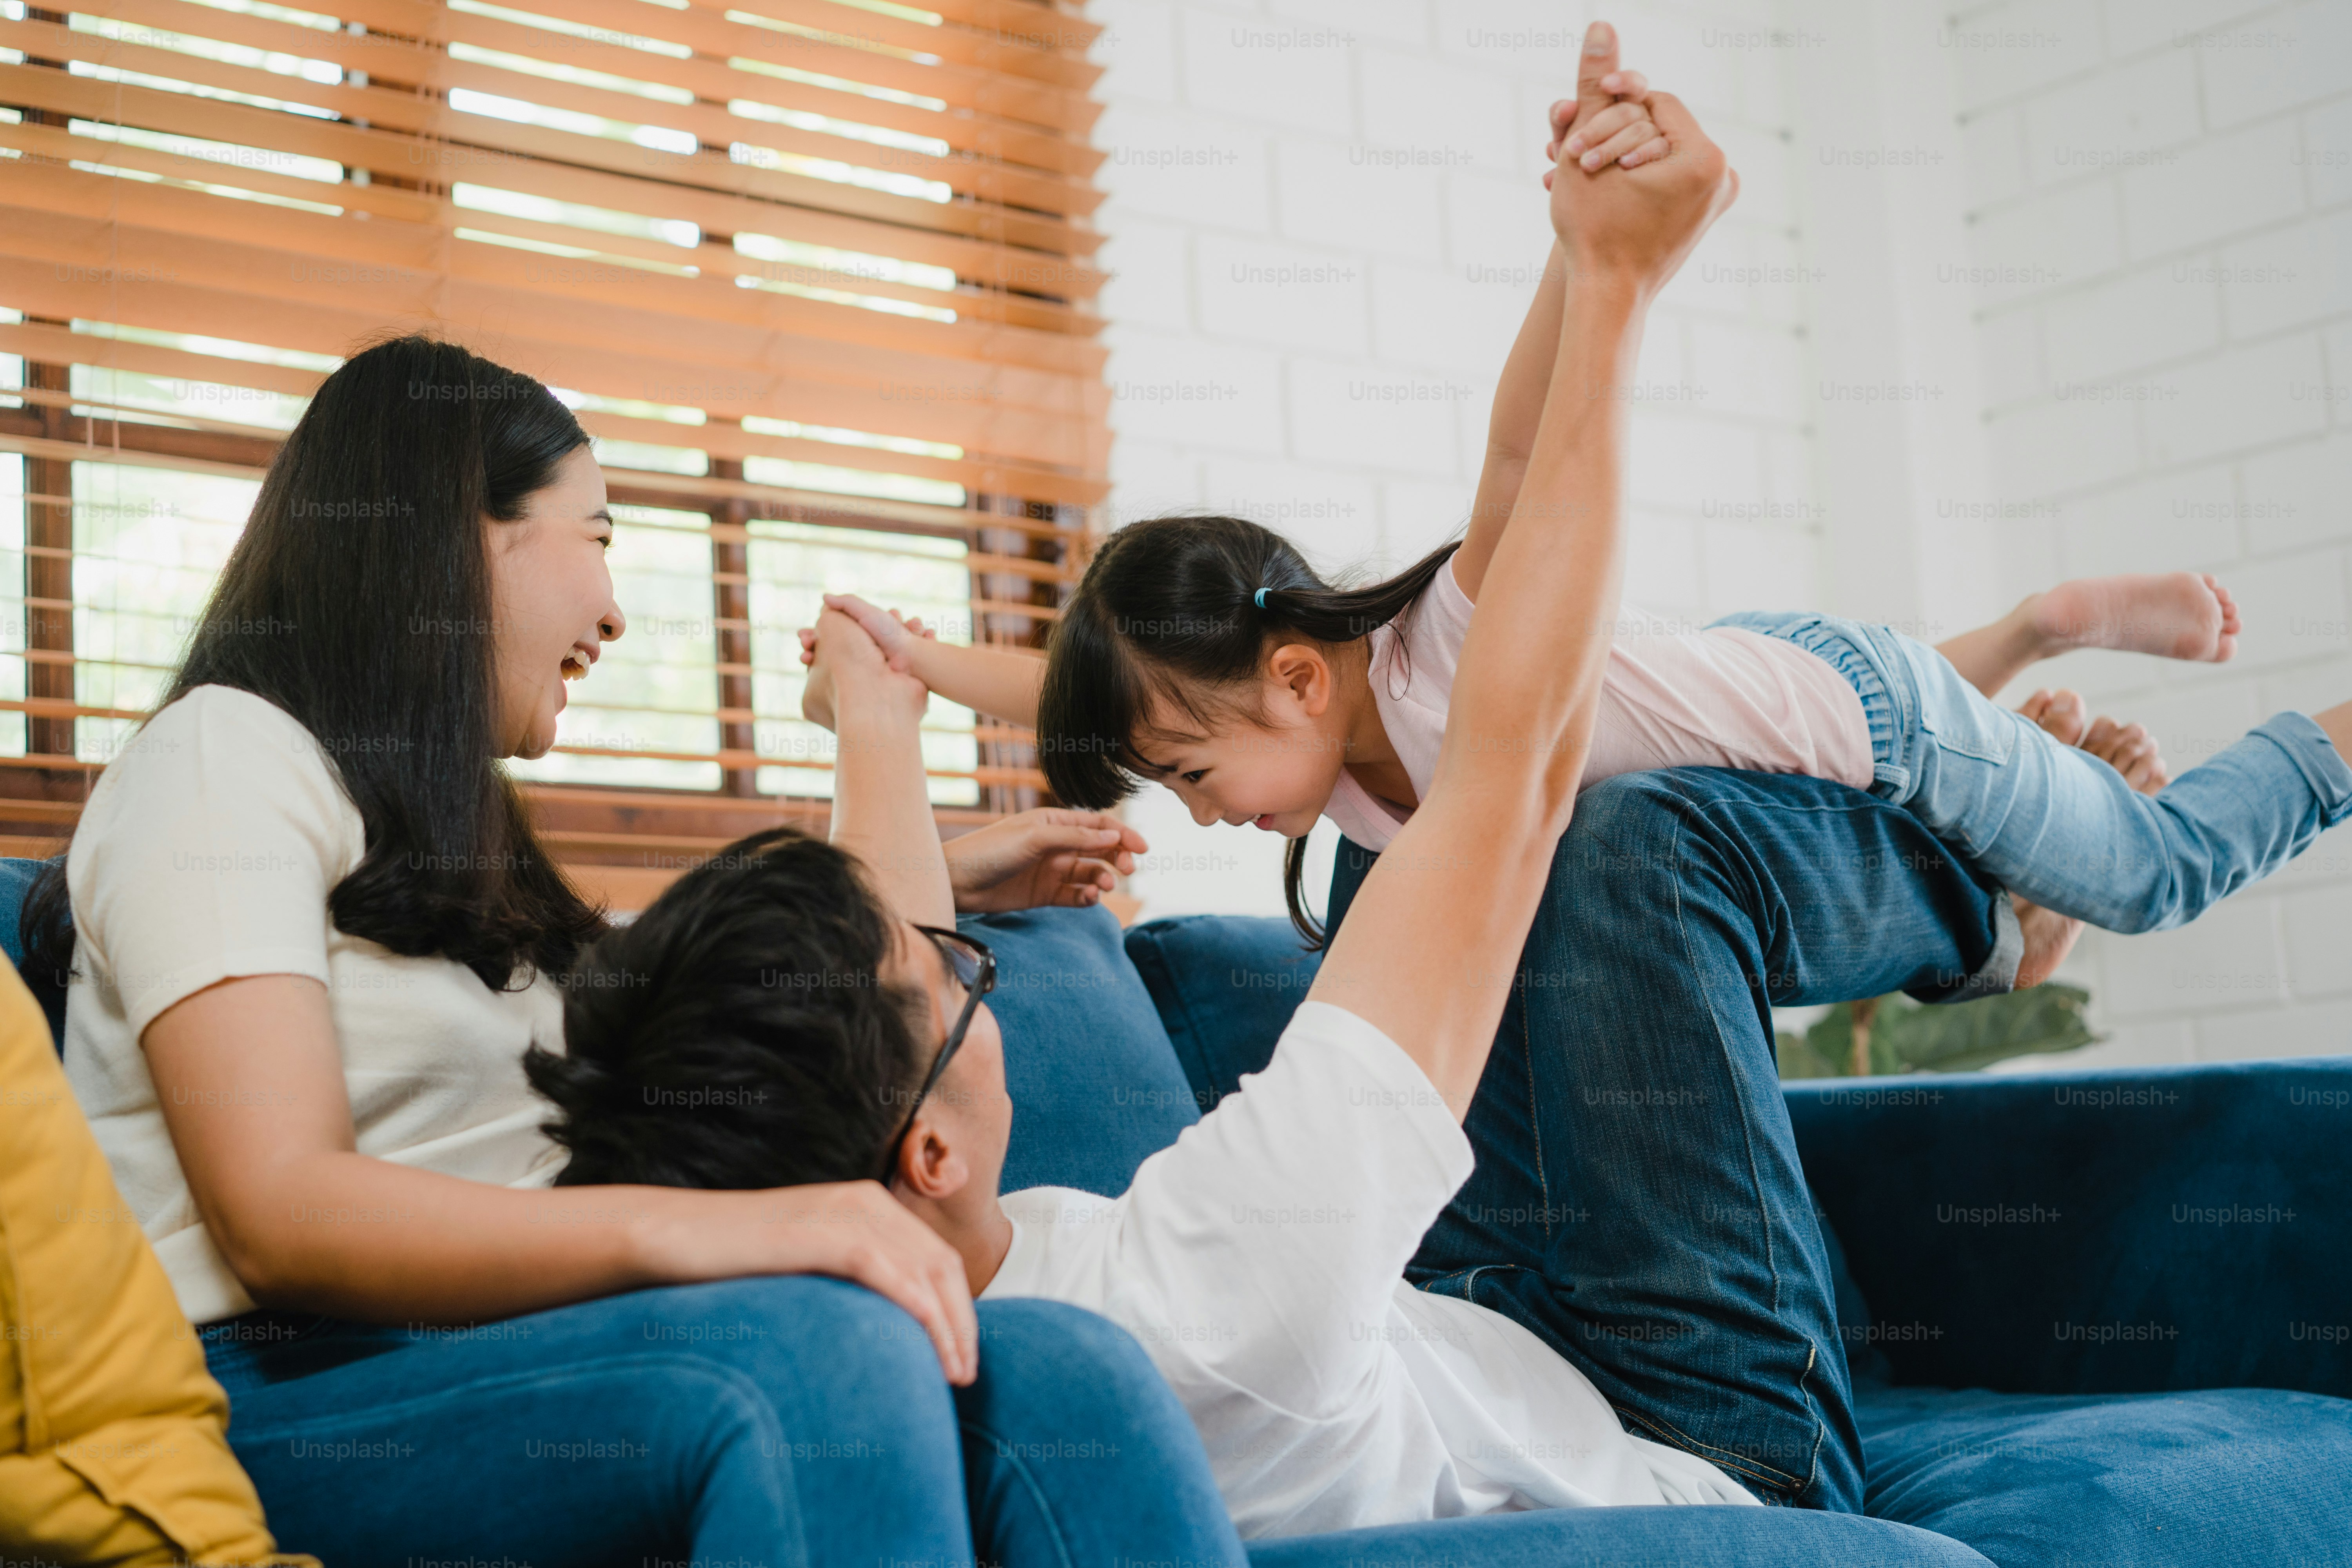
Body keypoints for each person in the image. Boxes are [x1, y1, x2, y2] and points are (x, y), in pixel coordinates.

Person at [541, 24, 2352, 1527]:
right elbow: (1517, 760)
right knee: (1620, 842)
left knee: (1648, 835)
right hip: (1701, 1435)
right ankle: (2012, 913)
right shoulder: (1221, 1281)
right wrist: (1619, 284)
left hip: (1553, 1200)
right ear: (922, 1141)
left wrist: (884, 702)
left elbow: (896, 958)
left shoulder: (897, 1262)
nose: (965, 946)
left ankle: (2009, 858)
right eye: (959, 971)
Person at [29, 334, 1242, 1566]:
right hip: (289, 1384)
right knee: (822, 1356)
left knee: (1067, 1371)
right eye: (598, 537)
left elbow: (771, 1003)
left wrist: (952, 862)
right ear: (458, 532)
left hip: (538, 1349)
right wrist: (727, 1236)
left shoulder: (454, 852)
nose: (614, 609)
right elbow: (276, 1213)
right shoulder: (223, 757)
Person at [804, 68, 2250, 959]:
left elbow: (1516, 453)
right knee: (1873, 777)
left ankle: (2062, 630)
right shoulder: (1324, 760)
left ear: (1298, 677)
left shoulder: (1450, 651)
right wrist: (915, 669)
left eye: (1192, 776)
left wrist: (1585, 243)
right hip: (1753, 690)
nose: (1201, 811)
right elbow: (1106, 692)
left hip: (1864, 707)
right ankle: (2015, 678)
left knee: (2150, 876)